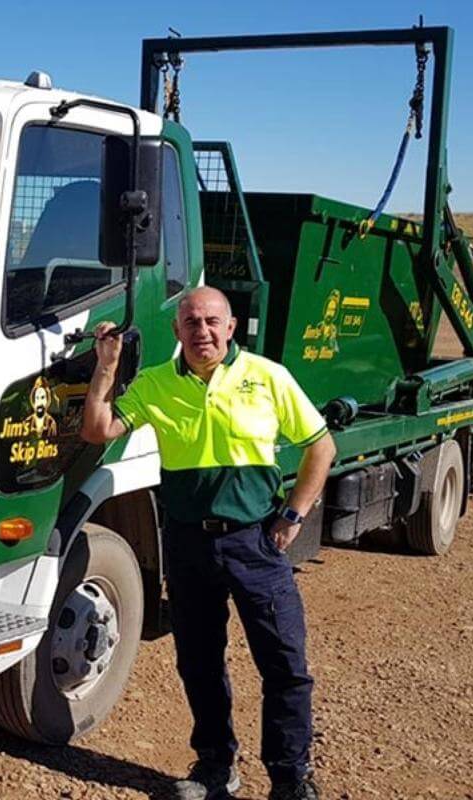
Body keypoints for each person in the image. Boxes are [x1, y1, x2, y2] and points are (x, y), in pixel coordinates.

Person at [81, 287, 336, 800]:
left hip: (255, 544)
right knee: (199, 660)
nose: (203, 331)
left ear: (231, 326)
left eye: (212, 321)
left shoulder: (267, 377)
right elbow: (98, 429)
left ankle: (290, 778)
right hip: (188, 544)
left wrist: (293, 515)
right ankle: (215, 767)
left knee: (285, 663)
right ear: (177, 331)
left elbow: (321, 446)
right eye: (192, 322)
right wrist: (106, 367)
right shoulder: (155, 384)